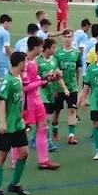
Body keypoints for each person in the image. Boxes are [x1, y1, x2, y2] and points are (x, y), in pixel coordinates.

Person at [0, 51, 32, 195]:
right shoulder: (8, 80)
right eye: (25, 61)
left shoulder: (18, 78)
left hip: (17, 124)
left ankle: (14, 184)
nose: (26, 64)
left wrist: (21, 117)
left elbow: (18, 101)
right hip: (8, 126)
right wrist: (2, 122)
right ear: (20, 63)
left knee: (24, 153)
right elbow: (1, 100)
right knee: (1, 156)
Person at [22, 36, 61, 170]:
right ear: (35, 47)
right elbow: (25, 87)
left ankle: (44, 160)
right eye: (40, 46)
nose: (41, 48)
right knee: (20, 129)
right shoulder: (25, 63)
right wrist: (40, 82)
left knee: (43, 127)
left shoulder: (33, 62)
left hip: (37, 99)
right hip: (27, 101)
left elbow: (37, 79)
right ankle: (15, 160)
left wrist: (48, 79)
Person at [37, 38, 67, 153]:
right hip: (40, 93)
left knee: (43, 120)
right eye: (54, 47)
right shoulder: (38, 61)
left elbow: (57, 76)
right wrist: (46, 78)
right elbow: (34, 78)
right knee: (45, 120)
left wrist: (64, 88)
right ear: (48, 48)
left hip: (51, 92)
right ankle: (48, 142)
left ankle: (35, 138)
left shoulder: (54, 60)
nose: (55, 49)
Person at [54, 30, 83, 144]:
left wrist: (76, 82)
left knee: (72, 110)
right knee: (57, 111)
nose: (67, 39)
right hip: (59, 87)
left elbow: (78, 68)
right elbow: (55, 71)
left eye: (69, 36)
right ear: (62, 38)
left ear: (72, 38)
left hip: (72, 87)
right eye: (65, 36)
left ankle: (71, 135)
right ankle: (55, 129)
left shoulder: (76, 53)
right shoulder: (57, 54)